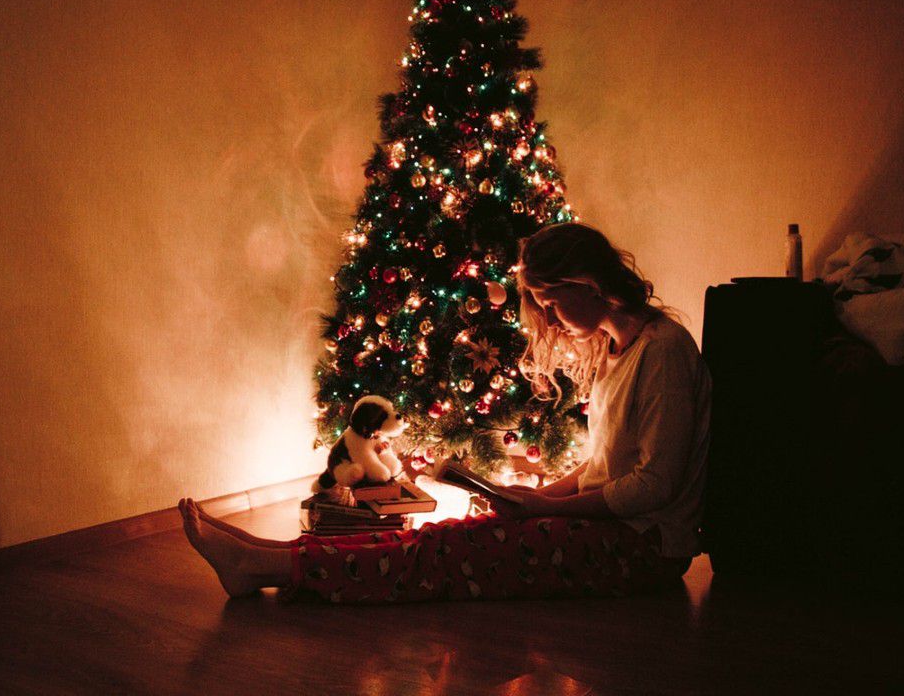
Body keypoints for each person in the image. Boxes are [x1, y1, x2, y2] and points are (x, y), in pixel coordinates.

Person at [180, 223, 711, 602]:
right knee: (449, 533)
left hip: (646, 549)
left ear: (585, 283)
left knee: (448, 552)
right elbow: (603, 465)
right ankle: (269, 553)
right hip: (615, 532)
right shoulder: (615, 350)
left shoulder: (663, 351)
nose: (549, 319)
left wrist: (549, 511)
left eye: (551, 303)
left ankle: (271, 566)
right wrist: (535, 497)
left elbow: (654, 486)